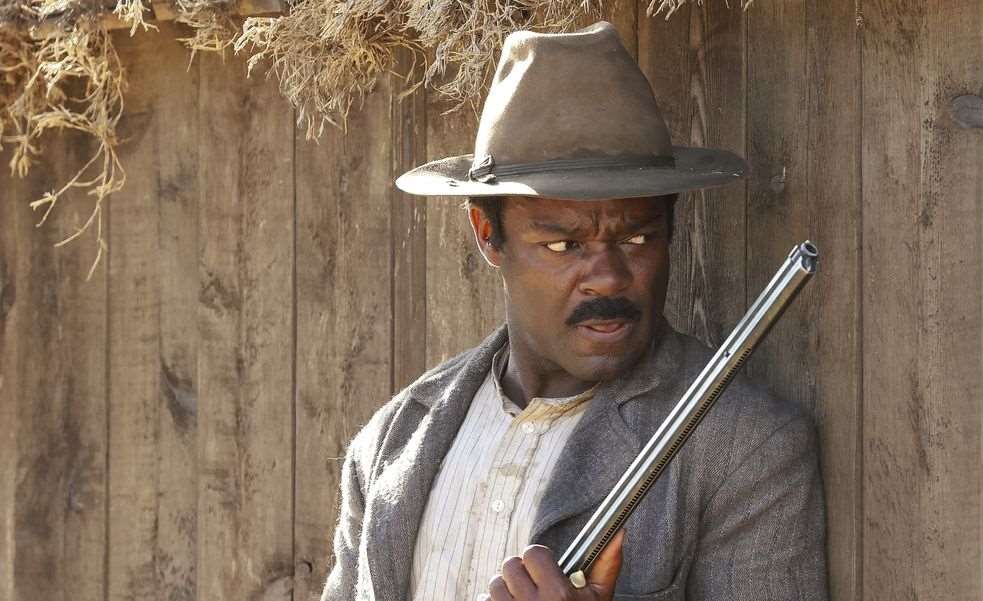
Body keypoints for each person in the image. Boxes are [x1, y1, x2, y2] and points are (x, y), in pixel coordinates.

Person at [320, 21, 828, 601]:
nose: (609, 277)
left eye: (636, 238)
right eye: (564, 244)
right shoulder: (395, 437)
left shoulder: (744, 446)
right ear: (487, 234)